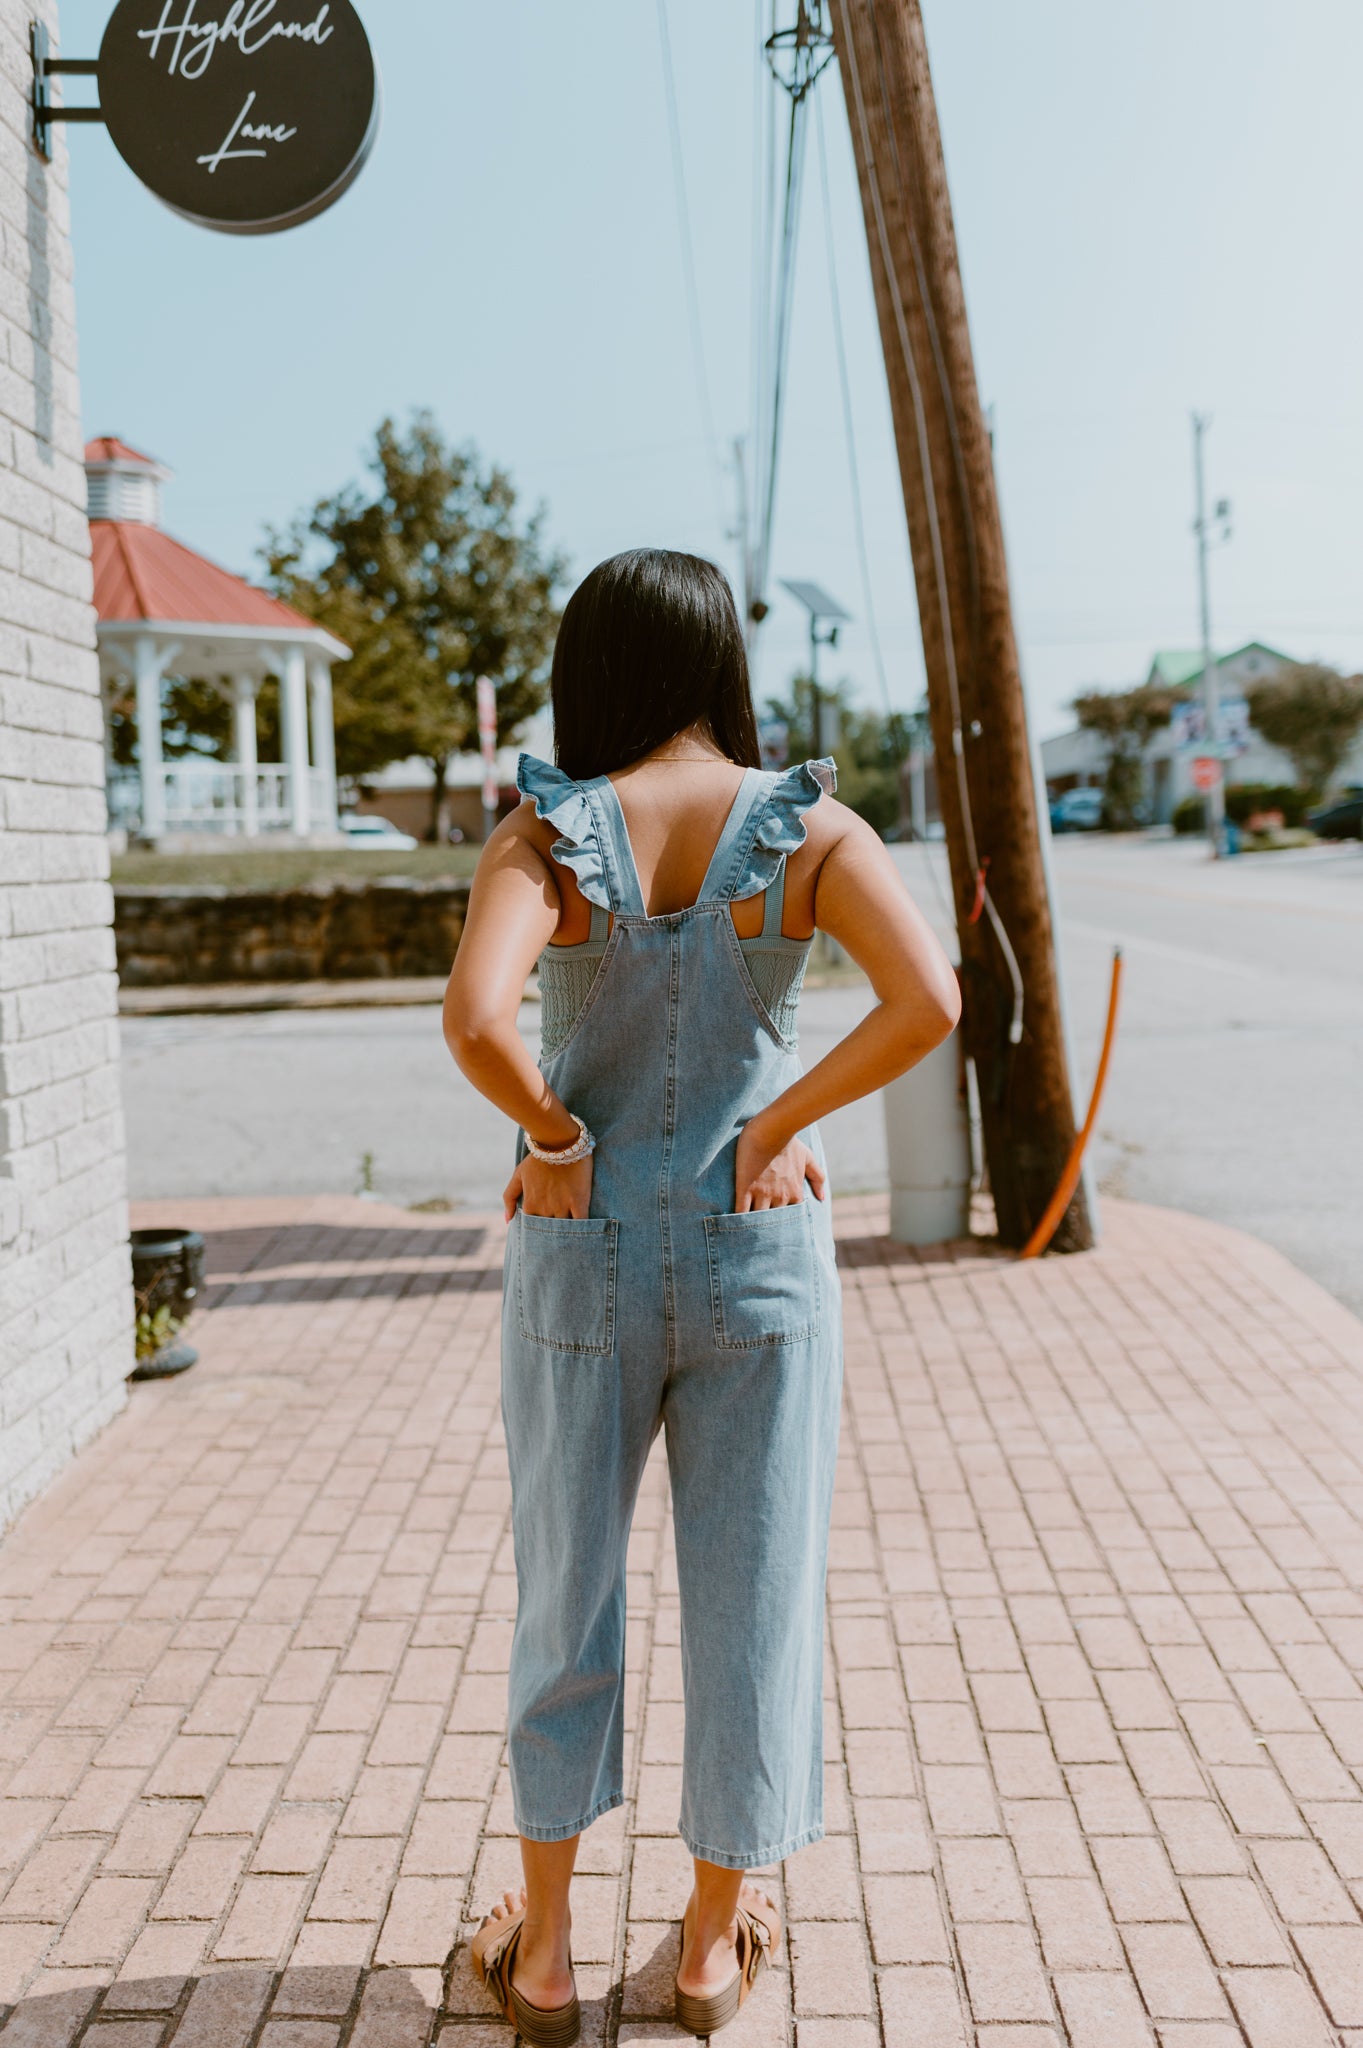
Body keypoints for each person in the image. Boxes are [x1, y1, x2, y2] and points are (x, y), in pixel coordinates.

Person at [443, 549, 959, 2044]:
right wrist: (782, 1126)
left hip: (582, 1251)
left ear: (590, 669)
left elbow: (477, 1021)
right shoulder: (806, 830)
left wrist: (554, 1135)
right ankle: (712, 1954)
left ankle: (539, 1962)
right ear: (723, 664)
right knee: (755, 1596)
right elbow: (930, 999)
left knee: (566, 1593)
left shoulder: (543, 838)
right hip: (759, 1257)